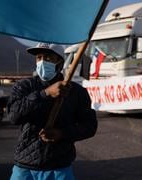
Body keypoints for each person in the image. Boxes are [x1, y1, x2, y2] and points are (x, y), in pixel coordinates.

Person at [7, 43, 97, 180]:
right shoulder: (24, 87)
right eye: (39, 57)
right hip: (25, 168)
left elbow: (90, 127)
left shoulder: (77, 92)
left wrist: (62, 134)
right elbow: (13, 116)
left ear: (60, 62)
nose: (42, 62)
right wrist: (45, 93)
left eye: (48, 58)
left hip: (59, 169)